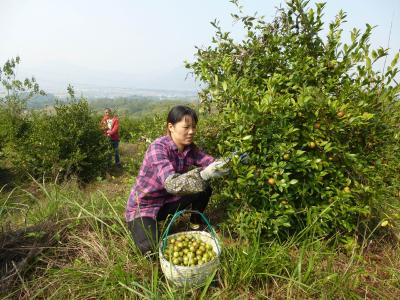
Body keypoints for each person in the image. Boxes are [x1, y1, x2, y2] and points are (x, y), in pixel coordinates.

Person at [125, 105, 229, 255]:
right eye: (186, 127)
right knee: (150, 250)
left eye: (194, 127)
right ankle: (143, 228)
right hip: (144, 207)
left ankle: (195, 224)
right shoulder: (158, 148)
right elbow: (172, 184)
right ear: (171, 127)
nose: (191, 131)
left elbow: (211, 162)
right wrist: (204, 174)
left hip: (168, 201)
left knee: (204, 188)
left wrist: (230, 161)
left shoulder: (189, 149)